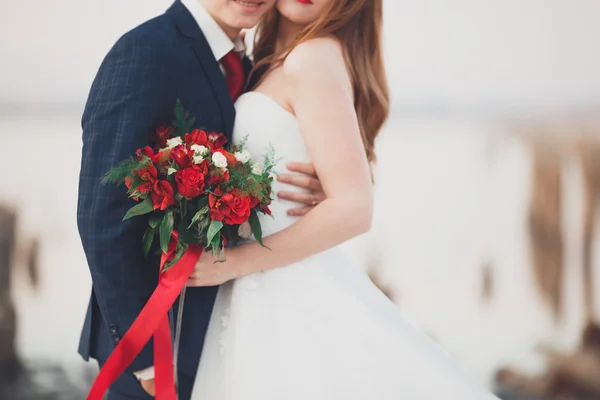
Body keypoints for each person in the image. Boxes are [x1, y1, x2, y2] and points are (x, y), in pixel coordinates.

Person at [188, 0, 501, 398]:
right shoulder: (268, 61)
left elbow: (354, 208)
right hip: (258, 292)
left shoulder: (312, 58)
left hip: (281, 289)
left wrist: (234, 262)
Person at [76, 1, 325, 398]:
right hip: (158, 340)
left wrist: (309, 184)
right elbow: (101, 217)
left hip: (232, 334)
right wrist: (144, 360)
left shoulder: (252, 62)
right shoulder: (145, 51)